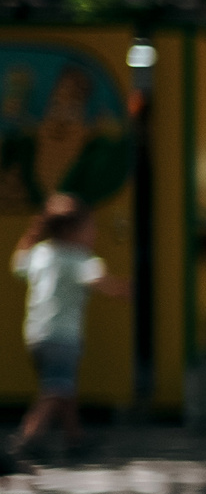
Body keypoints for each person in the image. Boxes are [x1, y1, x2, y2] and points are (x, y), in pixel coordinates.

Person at [12, 193, 126, 461]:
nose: (94, 233)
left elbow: (18, 264)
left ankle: (75, 437)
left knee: (64, 388)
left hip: (37, 334)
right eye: (90, 227)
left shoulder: (41, 253)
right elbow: (98, 281)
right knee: (56, 390)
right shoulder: (80, 260)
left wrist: (32, 232)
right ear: (71, 231)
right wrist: (123, 289)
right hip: (63, 336)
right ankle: (28, 437)